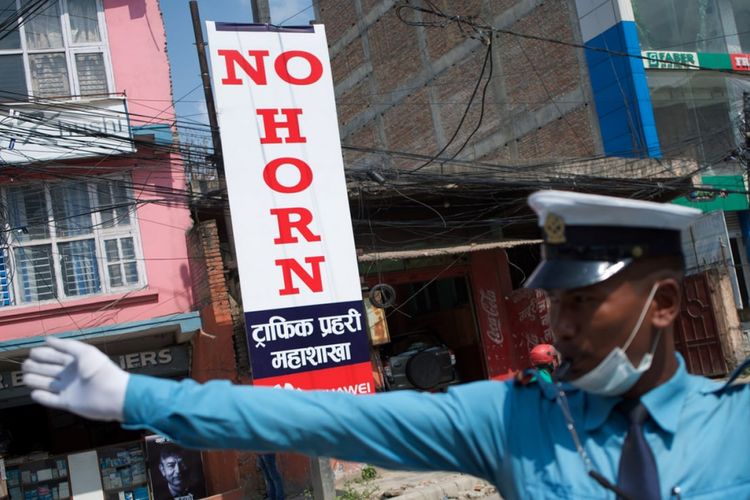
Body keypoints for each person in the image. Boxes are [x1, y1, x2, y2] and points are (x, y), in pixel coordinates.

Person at [21, 190, 750, 499]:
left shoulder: (737, 425)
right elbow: (319, 420)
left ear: (663, 305)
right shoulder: (511, 419)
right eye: (553, 303)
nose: (558, 327)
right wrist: (135, 395)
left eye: (582, 303)